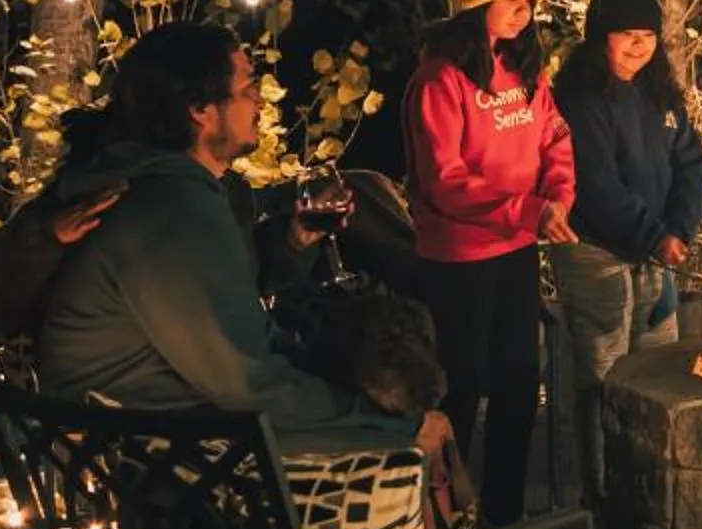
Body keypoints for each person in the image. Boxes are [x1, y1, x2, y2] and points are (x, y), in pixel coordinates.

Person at [33, 23, 429, 455]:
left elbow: (236, 326)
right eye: (246, 88)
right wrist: (390, 426)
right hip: (141, 447)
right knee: (399, 440)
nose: (258, 99)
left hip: (142, 420)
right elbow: (247, 380)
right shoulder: (172, 207)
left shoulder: (168, 188)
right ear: (200, 110)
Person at [402, 0, 577, 529]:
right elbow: (446, 179)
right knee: (460, 382)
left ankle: (505, 519)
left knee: (517, 380)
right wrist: (529, 210)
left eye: (529, 1)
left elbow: (555, 136)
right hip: (459, 256)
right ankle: (441, 523)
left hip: (516, 249)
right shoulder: (439, 81)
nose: (525, 12)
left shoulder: (526, 70)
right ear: (475, 0)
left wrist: (557, 197)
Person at [549, 0, 702, 502]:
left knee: (656, 374)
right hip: (597, 252)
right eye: (626, 36)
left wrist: (678, 229)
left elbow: (690, 161)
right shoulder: (581, 98)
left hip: (655, 252)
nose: (638, 48)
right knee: (603, 377)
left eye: (647, 37)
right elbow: (594, 184)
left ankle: (649, 489)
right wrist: (652, 235)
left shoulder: (659, 95)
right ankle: (598, 499)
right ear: (600, 36)